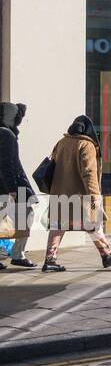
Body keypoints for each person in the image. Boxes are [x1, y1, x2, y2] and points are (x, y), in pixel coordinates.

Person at [43, 115, 111, 272]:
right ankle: (106, 255)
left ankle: (50, 259)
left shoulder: (61, 143)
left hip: (59, 192)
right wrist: (94, 196)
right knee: (93, 224)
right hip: (79, 195)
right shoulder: (86, 145)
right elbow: (88, 173)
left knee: (58, 226)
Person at [0, 102, 38, 269]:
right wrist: (12, 189)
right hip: (12, 185)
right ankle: (17, 253)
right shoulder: (6, 135)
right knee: (27, 214)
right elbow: (7, 165)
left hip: (9, 184)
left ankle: (16, 253)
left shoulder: (6, 133)